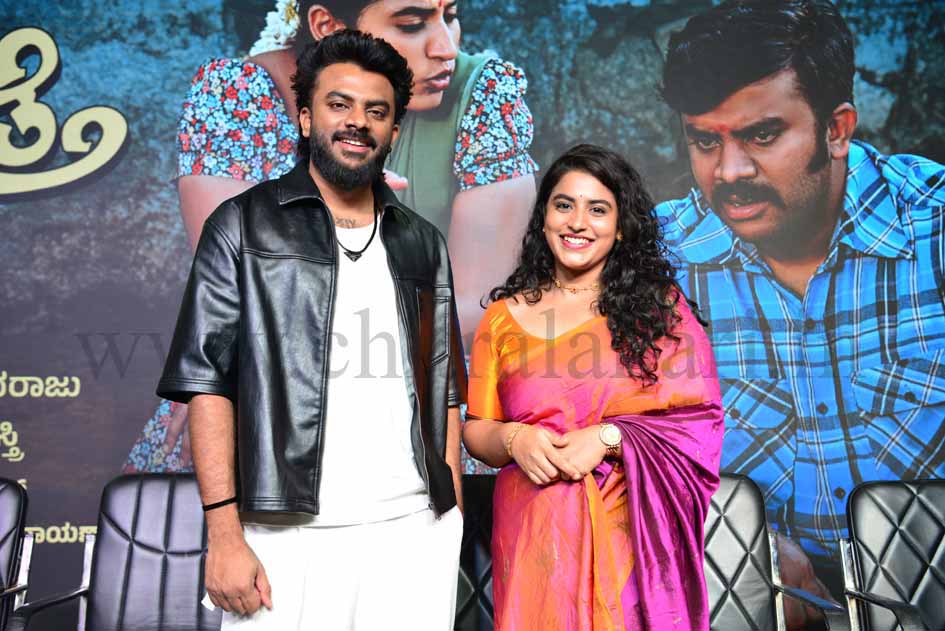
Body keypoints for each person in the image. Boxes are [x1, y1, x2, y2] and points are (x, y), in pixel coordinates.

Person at [125, 0, 536, 474]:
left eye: (451, 15)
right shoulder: (240, 94)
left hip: (424, 362)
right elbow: (236, 291)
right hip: (274, 359)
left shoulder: (482, 92)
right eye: (412, 23)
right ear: (327, 25)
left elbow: (476, 304)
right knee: (210, 433)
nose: (445, 47)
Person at [157, 31, 466, 629]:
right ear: (305, 117)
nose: (358, 123)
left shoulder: (423, 243)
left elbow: (445, 386)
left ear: (393, 131)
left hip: (412, 531)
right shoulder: (241, 225)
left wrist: (448, 511)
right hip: (284, 532)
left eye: (376, 111)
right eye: (339, 104)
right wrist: (224, 533)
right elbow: (207, 386)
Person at [656, 0, 945, 613]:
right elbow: (599, 455)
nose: (730, 172)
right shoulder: (654, 265)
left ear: (837, 129)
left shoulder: (935, 233)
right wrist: (735, 547)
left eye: (762, 135)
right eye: (704, 140)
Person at [462, 144, 724, 630]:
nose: (577, 222)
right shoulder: (501, 319)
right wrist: (515, 439)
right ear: (543, 218)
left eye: (598, 209)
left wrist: (606, 438)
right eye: (564, 205)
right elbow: (477, 429)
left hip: (630, 533)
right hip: (533, 532)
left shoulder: (660, 314)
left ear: (620, 226)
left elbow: (698, 423)